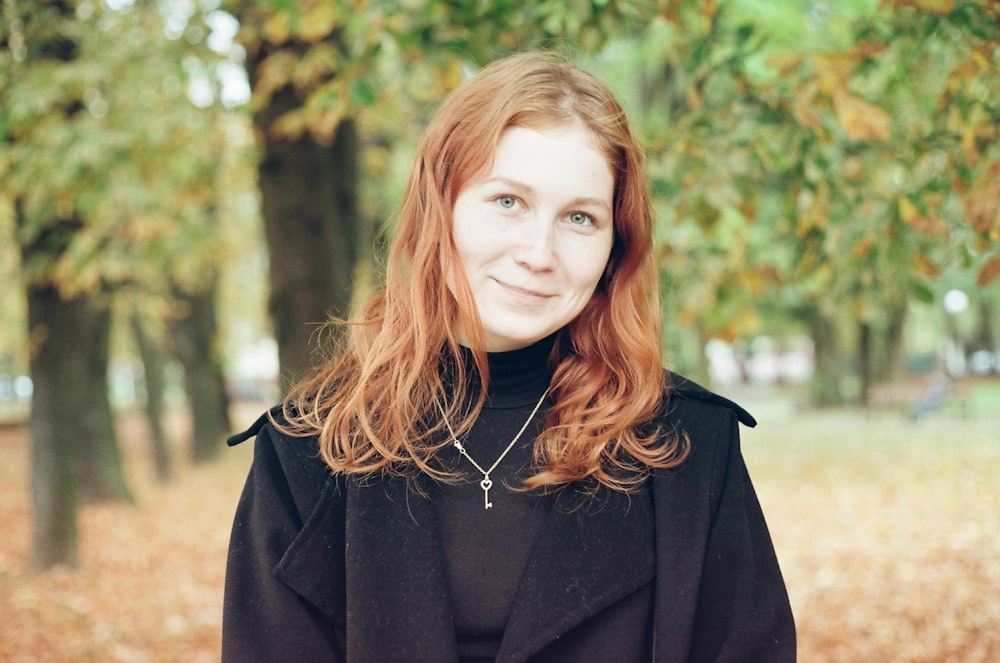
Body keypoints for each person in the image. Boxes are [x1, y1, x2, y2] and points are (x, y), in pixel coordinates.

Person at [222, 51, 795, 662]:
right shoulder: (308, 451)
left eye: (580, 217)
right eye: (508, 202)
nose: (538, 253)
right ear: (440, 206)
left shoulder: (687, 447)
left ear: (614, 246)